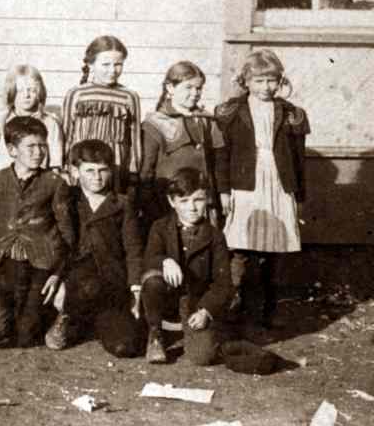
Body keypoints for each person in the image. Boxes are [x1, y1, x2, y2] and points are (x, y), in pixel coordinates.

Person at [216, 48, 307, 334]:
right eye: (258, 81)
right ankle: (234, 304)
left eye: (271, 81)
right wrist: (224, 191)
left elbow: (299, 158)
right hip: (245, 183)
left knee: (274, 250)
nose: (265, 87)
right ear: (246, 81)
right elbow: (223, 155)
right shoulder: (231, 111)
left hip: (278, 183)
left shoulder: (291, 114)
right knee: (241, 246)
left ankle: (269, 308)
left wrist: (299, 195)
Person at [0, 116, 74, 348]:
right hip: (6, 261)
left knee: (25, 336)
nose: (38, 152)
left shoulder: (54, 183)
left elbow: (66, 232)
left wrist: (58, 273)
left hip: (41, 263)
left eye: (42, 146)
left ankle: (55, 315)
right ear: (12, 150)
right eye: (30, 147)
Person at [47, 140, 146, 357]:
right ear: (75, 171)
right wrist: (59, 278)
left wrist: (135, 289)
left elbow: (133, 248)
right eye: (89, 171)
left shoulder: (121, 203)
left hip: (110, 282)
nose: (97, 177)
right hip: (76, 280)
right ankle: (66, 317)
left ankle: (93, 324)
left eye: (103, 170)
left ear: (111, 171)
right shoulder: (68, 199)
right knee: (86, 283)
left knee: (125, 347)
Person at [140, 168, 233, 365]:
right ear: (172, 202)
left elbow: (223, 284)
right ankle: (155, 333)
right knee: (152, 280)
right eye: (184, 201)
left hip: (194, 303)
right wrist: (165, 260)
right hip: (165, 300)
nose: (192, 207)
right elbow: (149, 258)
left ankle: (193, 332)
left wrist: (206, 311)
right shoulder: (160, 227)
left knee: (203, 357)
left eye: (198, 200)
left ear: (206, 199)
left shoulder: (215, 236)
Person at [140, 61, 225, 226]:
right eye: (188, 87)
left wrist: (222, 193)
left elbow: (219, 161)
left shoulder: (206, 121)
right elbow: (147, 170)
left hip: (201, 201)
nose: (195, 93)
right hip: (168, 201)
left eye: (199, 88)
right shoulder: (155, 123)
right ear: (170, 88)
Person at [61, 35, 143, 193]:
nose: (112, 70)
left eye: (118, 64)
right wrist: (67, 168)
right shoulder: (76, 94)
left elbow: (135, 138)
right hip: (83, 166)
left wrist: (133, 172)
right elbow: (67, 134)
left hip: (115, 167)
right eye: (106, 64)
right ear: (91, 64)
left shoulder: (129, 96)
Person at [0, 65, 62, 189]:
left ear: (40, 92)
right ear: (12, 92)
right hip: (1, 186)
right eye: (20, 90)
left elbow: (55, 166)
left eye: (32, 90)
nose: (26, 95)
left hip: (36, 186)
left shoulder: (50, 123)